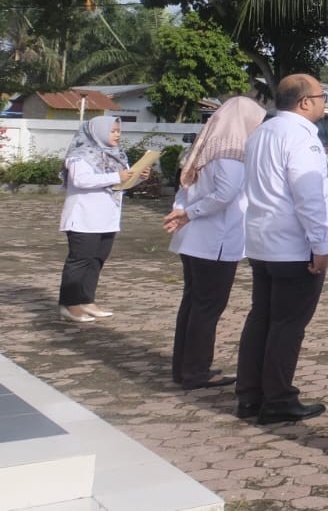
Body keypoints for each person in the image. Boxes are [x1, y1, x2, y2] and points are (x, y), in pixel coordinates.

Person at [235, 74, 328, 424]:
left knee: (261, 319)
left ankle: (250, 395)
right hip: (294, 246)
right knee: (287, 325)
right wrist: (320, 245)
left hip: (263, 241)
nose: (324, 103)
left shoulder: (261, 132)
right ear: (305, 102)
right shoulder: (301, 137)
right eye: (322, 96)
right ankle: (277, 399)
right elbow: (309, 197)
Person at [162, 97, 267, 390]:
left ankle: (184, 367)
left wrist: (183, 211)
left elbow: (184, 189)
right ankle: (196, 371)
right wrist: (189, 213)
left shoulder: (205, 149)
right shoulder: (231, 154)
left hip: (195, 238)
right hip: (215, 241)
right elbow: (224, 195)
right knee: (207, 308)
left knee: (193, 304)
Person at [58, 117, 147, 323]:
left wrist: (139, 177)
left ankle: (86, 300)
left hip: (108, 217)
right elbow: (80, 180)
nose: (117, 135)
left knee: (97, 259)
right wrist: (117, 176)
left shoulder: (117, 155)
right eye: (112, 131)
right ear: (98, 131)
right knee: (79, 261)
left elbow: (123, 184)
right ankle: (69, 304)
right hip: (84, 217)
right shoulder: (79, 155)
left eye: (118, 131)